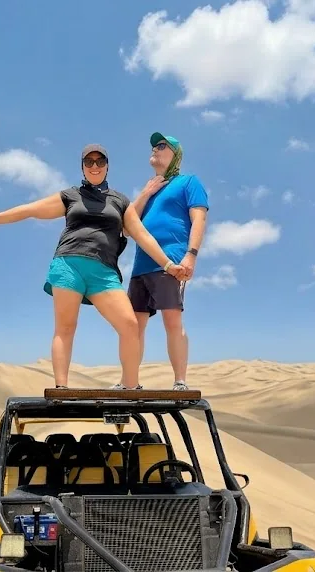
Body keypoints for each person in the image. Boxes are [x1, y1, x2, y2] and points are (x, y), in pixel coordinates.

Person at [0, 143, 187, 391]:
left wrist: (168, 264)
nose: (94, 166)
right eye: (88, 162)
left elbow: (142, 235)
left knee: (130, 325)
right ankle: (61, 388)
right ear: (82, 166)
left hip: (104, 273)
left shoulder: (120, 201)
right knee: (66, 327)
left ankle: (131, 388)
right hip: (68, 265)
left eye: (99, 161)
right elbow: (30, 210)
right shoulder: (71, 196)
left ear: (107, 166)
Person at [124, 132, 209, 391]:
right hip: (141, 266)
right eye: (153, 145)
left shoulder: (188, 182)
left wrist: (191, 255)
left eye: (162, 145)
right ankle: (130, 381)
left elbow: (199, 219)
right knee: (133, 325)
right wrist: (144, 193)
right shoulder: (150, 189)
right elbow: (128, 226)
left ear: (176, 155)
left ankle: (180, 381)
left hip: (172, 262)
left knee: (172, 321)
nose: (155, 149)